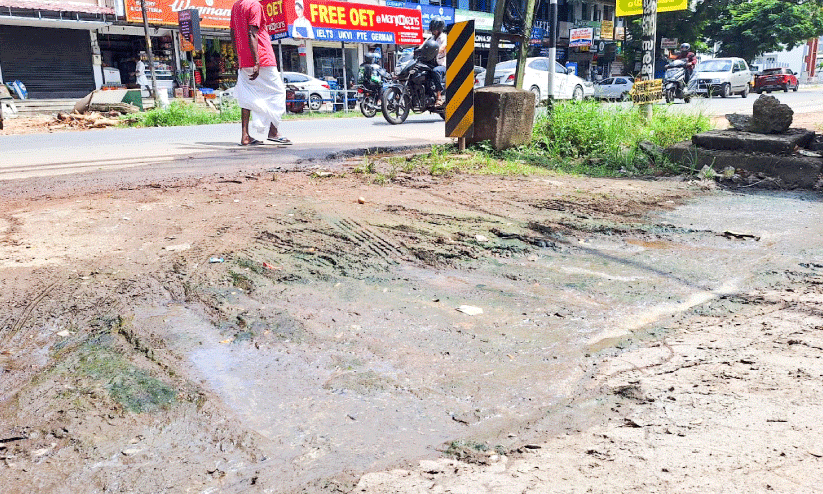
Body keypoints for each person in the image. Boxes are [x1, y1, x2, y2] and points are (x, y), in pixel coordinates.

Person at [230, 0, 291, 146]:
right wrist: (256, 61)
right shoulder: (255, 5)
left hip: (244, 59)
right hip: (262, 58)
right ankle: (273, 132)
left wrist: (238, 56)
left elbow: (232, 33)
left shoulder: (236, 6)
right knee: (278, 93)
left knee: (246, 96)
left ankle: (245, 136)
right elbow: (252, 32)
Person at [427, 16, 447, 107]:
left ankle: (439, 96)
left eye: (435, 30)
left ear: (439, 29)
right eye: (432, 30)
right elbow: (423, 46)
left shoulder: (444, 37)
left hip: (442, 64)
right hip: (432, 63)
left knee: (435, 71)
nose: (433, 32)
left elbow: (442, 48)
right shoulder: (431, 38)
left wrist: (435, 51)